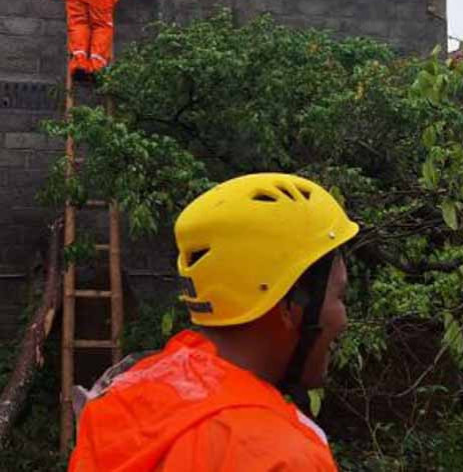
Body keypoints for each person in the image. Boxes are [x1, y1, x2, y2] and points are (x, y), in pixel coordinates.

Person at [69, 172, 359, 471]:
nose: (344, 320)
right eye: (340, 296)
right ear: (289, 306)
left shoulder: (126, 398)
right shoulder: (283, 456)